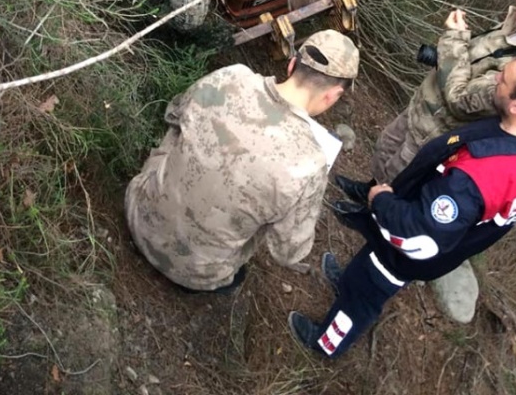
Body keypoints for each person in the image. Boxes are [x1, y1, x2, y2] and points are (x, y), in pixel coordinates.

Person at [288, 50, 516, 358]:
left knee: (365, 294)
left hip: (407, 249)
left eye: (502, 80)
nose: (495, 80)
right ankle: (346, 281)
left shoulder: (476, 180)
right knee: (365, 268)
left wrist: (381, 200)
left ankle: (326, 343)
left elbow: (419, 236)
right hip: (423, 215)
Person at [125, 29, 359, 293]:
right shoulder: (310, 164)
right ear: (332, 95)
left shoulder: (231, 76)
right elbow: (288, 252)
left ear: (292, 64)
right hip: (196, 274)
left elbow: (174, 113)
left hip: (137, 213)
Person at [338, 0, 516, 202]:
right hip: (424, 103)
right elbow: (471, 61)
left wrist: (454, 38)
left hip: (436, 128)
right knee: (385, 149)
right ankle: (368, 191)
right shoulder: (515, 27)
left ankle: (372, 213)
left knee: (398, 174)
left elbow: (460, 100)